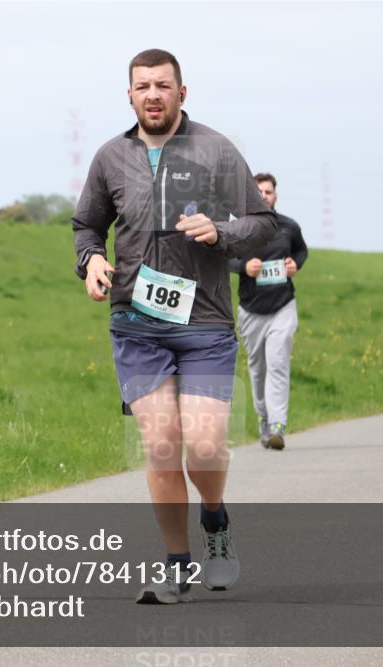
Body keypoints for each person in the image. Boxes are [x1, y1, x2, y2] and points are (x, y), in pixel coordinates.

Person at [72, 49, 276, 604]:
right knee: (161, 446)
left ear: (182, 93)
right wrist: (90, 261)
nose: (153, 94)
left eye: (163, 85)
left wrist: (223, 232)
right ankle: (176, 564)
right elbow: (87, 224)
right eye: (142, 87)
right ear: (130, 95)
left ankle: (214, 521)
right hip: (136, 323)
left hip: (204, 321)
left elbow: (263, 223)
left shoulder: (215, 149)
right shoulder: (110, 157)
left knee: (204, 449)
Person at [229, 173, 308, 450]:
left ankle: (278, 425)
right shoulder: (239, 226)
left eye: (269, 192)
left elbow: (301, 252)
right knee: (258, 369)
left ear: (276, 196)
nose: (264, 196)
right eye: (259, 192)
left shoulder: (289, 226)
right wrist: (244, 267)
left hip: (282, 304)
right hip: (251, 308)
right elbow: (227, 256)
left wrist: (294, 265)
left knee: (278, 362)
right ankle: (264, 419)